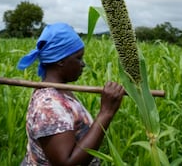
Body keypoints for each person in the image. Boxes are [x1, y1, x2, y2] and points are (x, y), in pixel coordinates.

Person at [17, 22, 125, 165]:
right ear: (61, 61)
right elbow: (66, 162)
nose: (83, 64)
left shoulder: (59, 90)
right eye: (78, 58)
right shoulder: (49, 104)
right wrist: (106, 112)